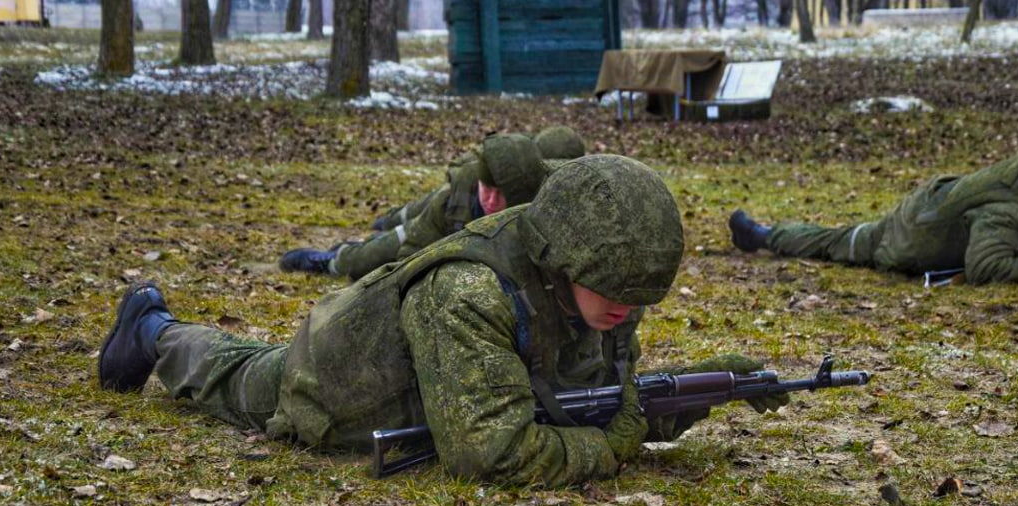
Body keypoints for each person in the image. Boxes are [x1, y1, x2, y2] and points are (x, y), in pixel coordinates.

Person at [97, 155, 782, 487]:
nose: (625, 310)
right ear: (565, 257)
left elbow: (589, 400)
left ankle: (156, 328)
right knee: (235, 374)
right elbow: (492, 451)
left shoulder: (595, 285)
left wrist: (712, 387)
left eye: (638, 296)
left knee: (242, 360)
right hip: (336, 378)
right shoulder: (470, 291)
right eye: (613, 289)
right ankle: (152, 330)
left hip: (444, 383)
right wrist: (612, 450)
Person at [728, 133, 1018, 285]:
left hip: (930, 212)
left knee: (839, 237)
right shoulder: (1007, 211)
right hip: (907, 238)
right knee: (839, 242)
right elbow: (985, 269)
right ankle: (762, 235)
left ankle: (764, 232)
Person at [280, 132, 549, 281]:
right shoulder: (456, 199)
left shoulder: (545, 210)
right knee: (375, 255)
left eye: (500, 194)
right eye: (486, 189)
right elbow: (410, 251)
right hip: (434, 237)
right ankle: (333, 261)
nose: (490, 201)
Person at [371, 125, 586, 233]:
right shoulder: (511, 162)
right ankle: (388, 221)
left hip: (472, 188)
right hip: (465, 186)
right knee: (420, 212)